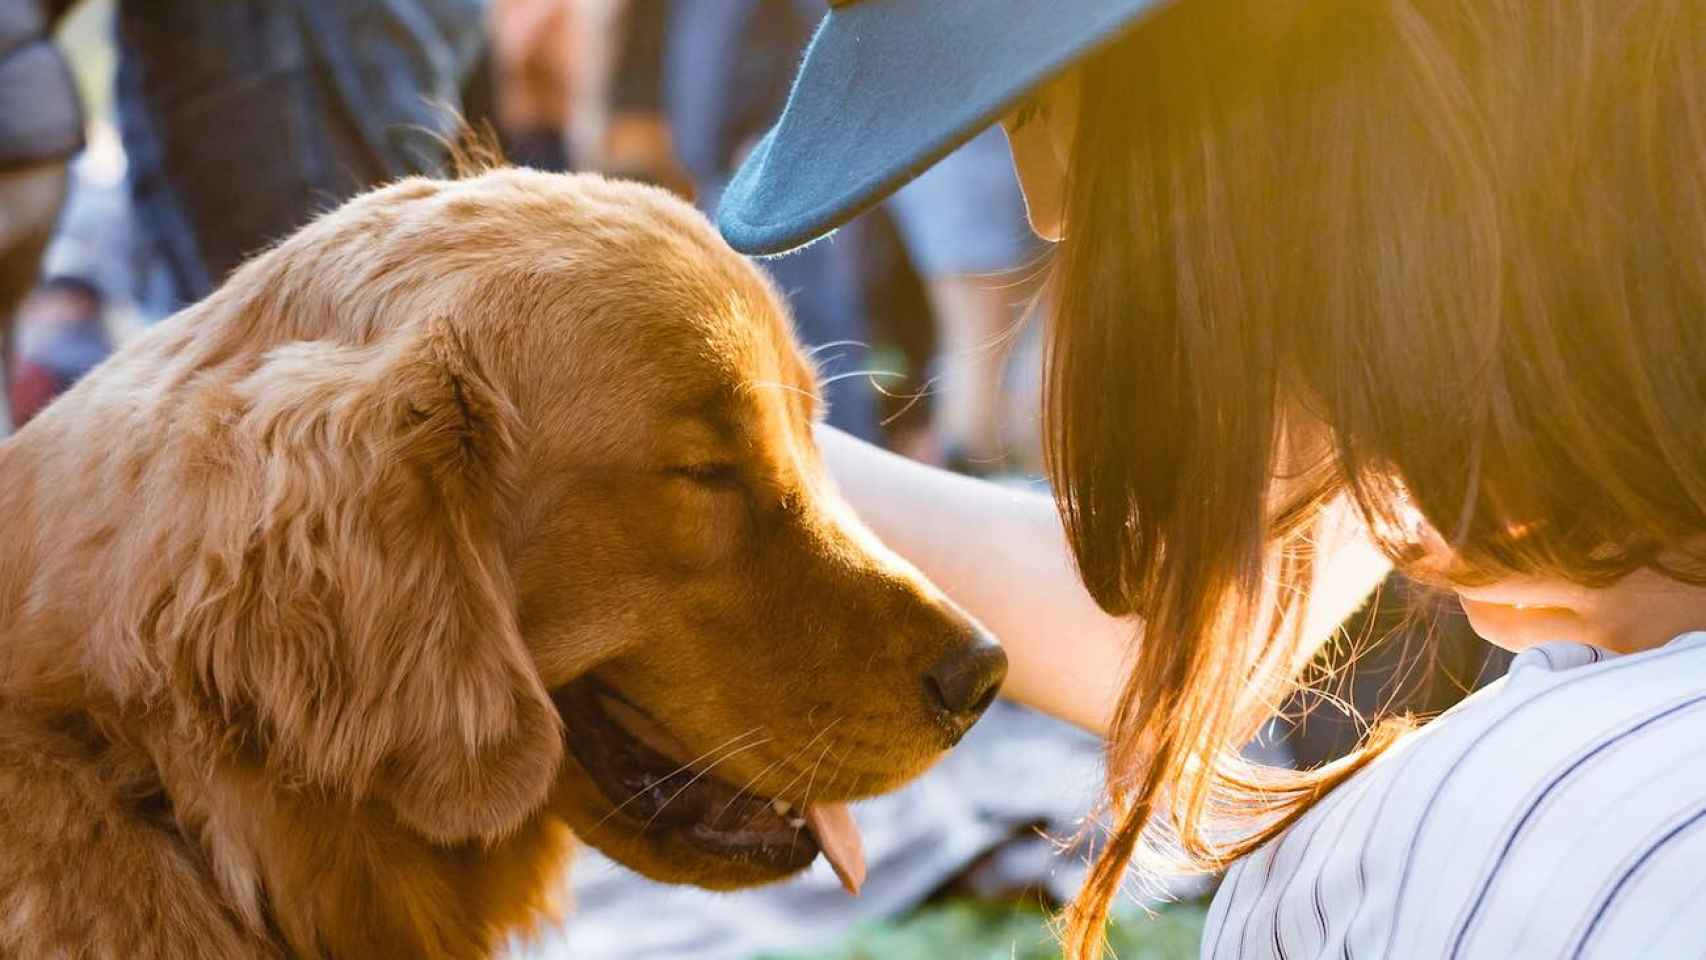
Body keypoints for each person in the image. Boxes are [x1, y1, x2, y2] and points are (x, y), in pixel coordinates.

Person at [716, 1, 1706, 958]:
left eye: (1027, 104)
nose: (1046, 210)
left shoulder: (1477, 857)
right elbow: (1175, 626)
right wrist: (738, 461)